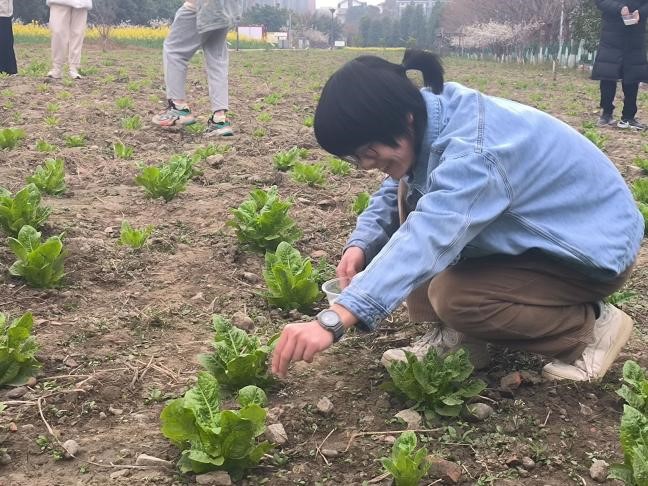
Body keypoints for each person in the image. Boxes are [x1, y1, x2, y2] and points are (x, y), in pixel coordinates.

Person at [271, 49, 644, 383]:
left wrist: (337, 316)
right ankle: (457, 339)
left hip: (587, 252)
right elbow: (399, 186)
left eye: (369, 151)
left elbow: (430, 234)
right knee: (407, 191)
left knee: (458, 298)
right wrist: (361, 244)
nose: (367, 164)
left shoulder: (474, 152)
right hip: (548, 232)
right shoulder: (430, 113)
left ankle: (591, 330)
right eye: (356, 158)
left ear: (403, 119)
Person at [151, 0, 238, 137]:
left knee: (174, 50)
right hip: (225, 9)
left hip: (200, 6)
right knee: (217, 59)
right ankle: (219, 120)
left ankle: (179, 108)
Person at [593, 0, 648, 129]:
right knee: (608, 73)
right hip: (611, 32)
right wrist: (620, 8)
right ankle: (606, 114)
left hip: (635, 33)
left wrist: (640, 12)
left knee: (632, 76)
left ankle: (628, 117)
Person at [46, 0, 92, 79]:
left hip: (81, 2)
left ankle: (74, 68)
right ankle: (57, 68)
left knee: (77, 33)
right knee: (57, 31)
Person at [0, 0, 17, 75]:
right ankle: (8, 69)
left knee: (6, 42)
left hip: (4, 15)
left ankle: (8, 69)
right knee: (6, 42)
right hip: (4, 14)